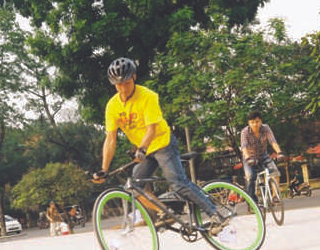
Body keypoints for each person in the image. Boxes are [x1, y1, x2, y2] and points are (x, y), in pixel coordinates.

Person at [92, 57, 231, 232]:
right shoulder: (112, 106)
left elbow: (151, 129)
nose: (123, 88)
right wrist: (104, 169)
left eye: (126, 83)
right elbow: (111, 139)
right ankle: (165, 213)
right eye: (118, 85)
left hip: (163, 144)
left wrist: (142, 149)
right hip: (145, 150)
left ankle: (216, 214)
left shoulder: (147, 96)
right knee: (134, 187)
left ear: (134, 77)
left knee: (177, 183)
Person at [240, 110, 284, 201]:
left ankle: (275, 196)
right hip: (250, 157)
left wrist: (279, 153)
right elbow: (244, 147)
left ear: (261, 121)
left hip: (263, 155)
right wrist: (248, 158)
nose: (255, 124)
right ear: (249, 123)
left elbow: (273, 141)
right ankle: (252, 200)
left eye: (257, 122)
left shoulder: (266, 128)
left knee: (275, 172)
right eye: (252, 122)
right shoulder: (245, 132)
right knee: (251, 176)